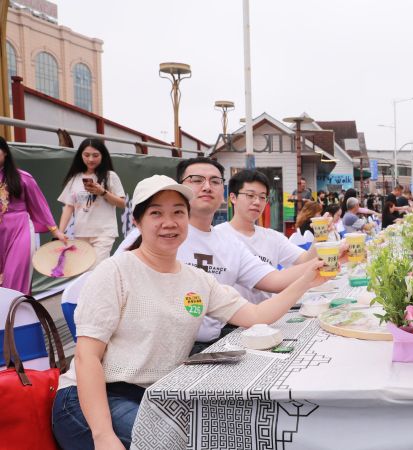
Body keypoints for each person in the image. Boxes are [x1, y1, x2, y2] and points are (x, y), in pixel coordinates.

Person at [51, 175, 325, 449]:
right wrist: (103, 436)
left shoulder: (197, 280)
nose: (169, 223)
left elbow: (255, 316)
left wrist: (306, 281)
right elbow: (87, 357)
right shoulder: (115, 271)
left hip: (158, 396)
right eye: (156, 213)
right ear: (137, 221)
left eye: (178, 212)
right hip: (92, 398)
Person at [115, 157, 323, 349]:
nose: (207, 186)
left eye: (215, 181)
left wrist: (323, 263)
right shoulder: (152, 237)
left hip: (212, 344)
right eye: (196, 180)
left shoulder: (229, 244)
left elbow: (274, 281)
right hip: (150, 349)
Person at [215, 170, 326, 303]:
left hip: (267, 313)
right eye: (250, 195)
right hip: (228, 320)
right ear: (233, 198)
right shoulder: (217, 236)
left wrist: (320, 235)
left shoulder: (273, 237)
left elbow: (306, 260)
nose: (257, 202)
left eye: (262, 197)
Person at [0, 137, 68, 294]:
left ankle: (17, 316)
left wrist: (55, 231)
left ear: (5, 152)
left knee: (15, 278)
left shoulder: (23, 177)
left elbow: (40, 206)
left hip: (20, 230)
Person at [58, 139, 126, 264]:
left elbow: (122, 203)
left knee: (95, 270)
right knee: (84, 270)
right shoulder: (75, 178)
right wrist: (60, 232)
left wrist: (103, 192)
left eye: (95, 155)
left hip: (104, 233)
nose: (90, 159)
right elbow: (68, 207)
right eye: (86, 155)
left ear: (102, 156)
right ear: (80, 156)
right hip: (81, 233)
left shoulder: (110, 176)